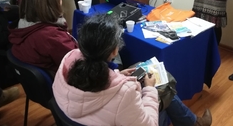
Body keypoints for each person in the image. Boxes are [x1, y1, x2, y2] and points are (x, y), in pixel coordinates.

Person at [52, 14, 212, 126]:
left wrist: (116, 75)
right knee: (164, 91)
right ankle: (193, 123)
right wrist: (149, 89)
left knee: (142, 71)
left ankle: (193, 122)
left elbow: (94, 86)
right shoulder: (125, 92)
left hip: (75, 119)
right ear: (114, 51)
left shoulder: (68, 60)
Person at [9, 0, 77, 76]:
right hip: (63, 81)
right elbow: (78, 66)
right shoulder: (52, 36)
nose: (61, 1)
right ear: (50, 3)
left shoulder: (23, 23)